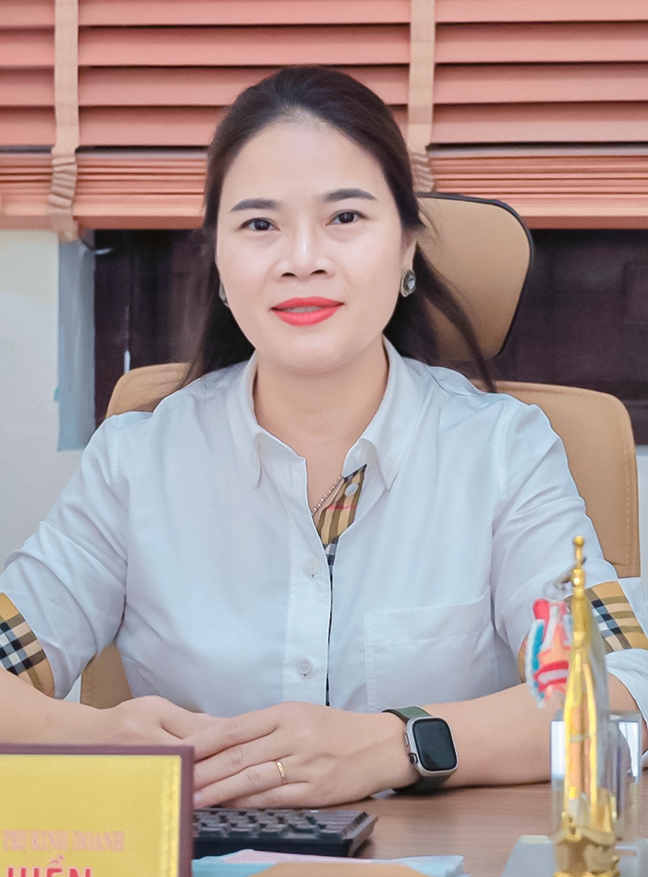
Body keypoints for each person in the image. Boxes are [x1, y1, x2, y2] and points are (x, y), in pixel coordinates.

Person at [1, 67, 647, 809]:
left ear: (406, 248)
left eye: (345, 217)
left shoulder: (503, 452)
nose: (302, 257)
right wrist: (96, 736)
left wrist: (398, 743)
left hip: (442, 870)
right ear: (219, 263)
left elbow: (624, 688)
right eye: (259, 225)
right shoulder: (136, 463)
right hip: (206, 869)